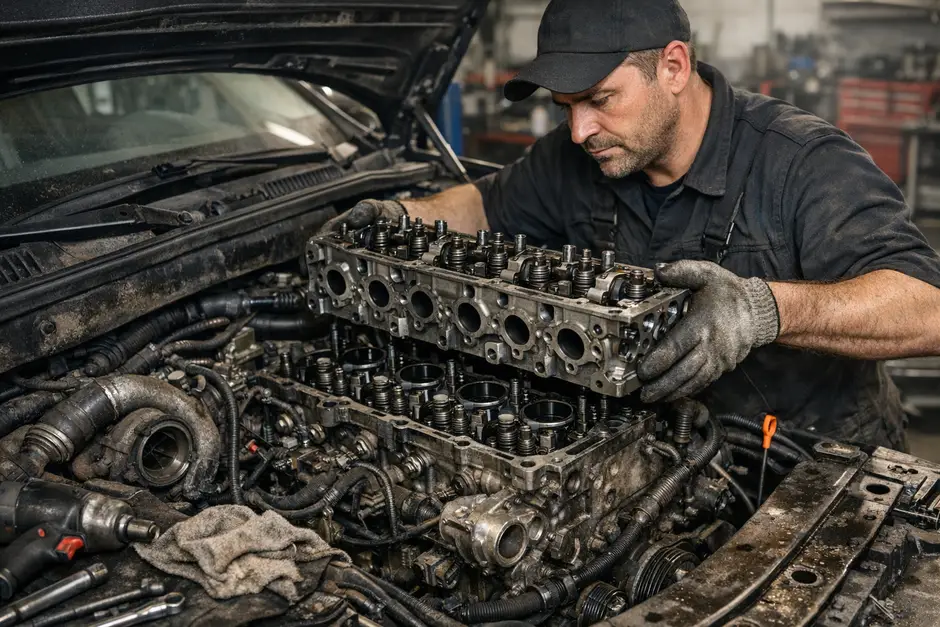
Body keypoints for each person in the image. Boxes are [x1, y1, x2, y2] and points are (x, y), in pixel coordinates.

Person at [319, 0, 940, 449]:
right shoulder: (573, 156)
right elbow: (485, 205)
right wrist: (400, 217)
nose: (580, 131)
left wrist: (761, 310)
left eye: (599, 99)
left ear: (672, 67)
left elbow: (926, 308)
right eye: (565, 108)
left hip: (811, 462)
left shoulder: (801, 161)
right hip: (667, 456)